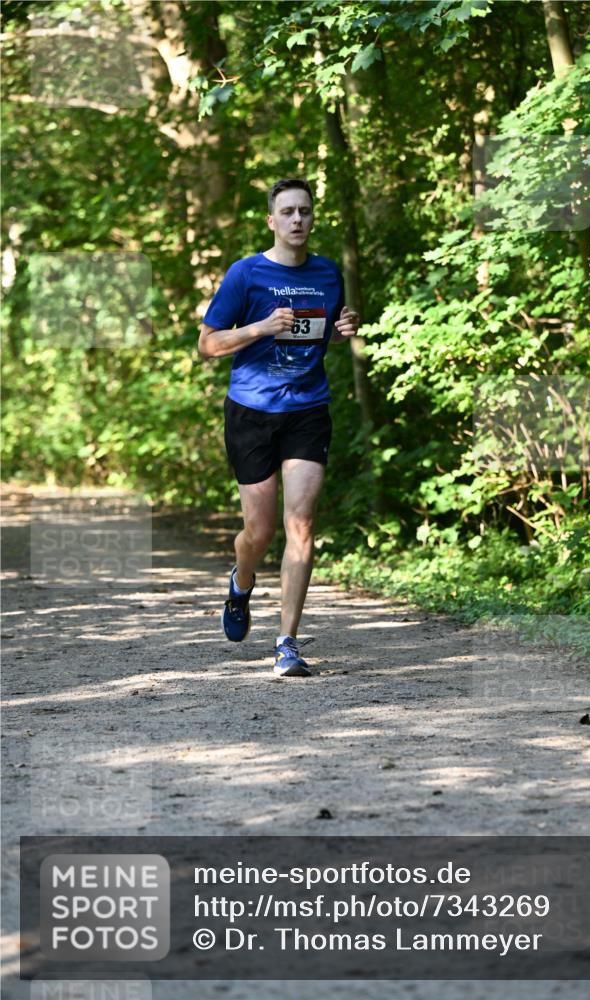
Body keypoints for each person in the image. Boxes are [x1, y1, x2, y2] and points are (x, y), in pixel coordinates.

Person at [198, 178, 360, 677]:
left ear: (313, 219)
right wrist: (260, 328)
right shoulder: (246, 274)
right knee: (259, 531)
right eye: (287, 212)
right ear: (272, 220)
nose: (297, 219)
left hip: (307, 409)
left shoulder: (327, 273)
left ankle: (286, 642)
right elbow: (208, 344)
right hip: (251, 411)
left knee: (302, 524)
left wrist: (341, 331)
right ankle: (241, 582)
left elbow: (321, 332)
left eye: (304, 211)